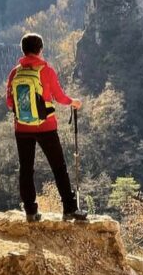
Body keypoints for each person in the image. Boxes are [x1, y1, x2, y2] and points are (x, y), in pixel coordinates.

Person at [6, 32, 88, 222]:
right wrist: (73, 102)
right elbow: (59, 97)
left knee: (26, 169)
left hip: (22, 128)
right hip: (46, 127)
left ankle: (30, 211)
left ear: (23, 50)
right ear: (40, 49)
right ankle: (69, 209)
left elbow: (10, 103)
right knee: (59, 167)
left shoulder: (15, 72)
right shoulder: (46, 70)